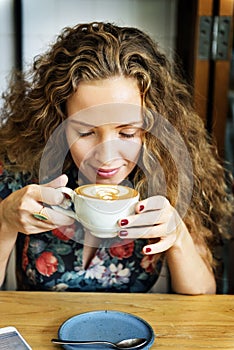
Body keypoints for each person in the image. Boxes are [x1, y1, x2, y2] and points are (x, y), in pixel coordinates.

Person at [0, 22, 232, 294]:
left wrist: (178, 236)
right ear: (57, 123)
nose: (106, 157)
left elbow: (204, 297)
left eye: (127, 133)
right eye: (85, 132)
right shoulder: (19, 166)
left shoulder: (172, 171)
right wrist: (4, 220)